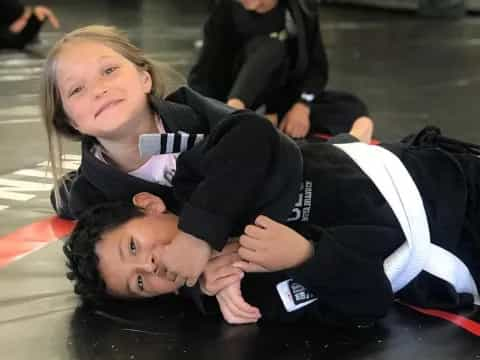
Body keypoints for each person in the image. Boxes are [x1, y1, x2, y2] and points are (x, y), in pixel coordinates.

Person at [63, 124, 480, 326]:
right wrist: (306, 256)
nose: (150, 266)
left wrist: (198, 234)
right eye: (140, 283)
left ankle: (348, 133)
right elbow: (367, 303)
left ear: (150, 204)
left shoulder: (201, 177)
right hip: (454, 260)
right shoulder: (241, 292)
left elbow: (252, 134)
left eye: (134, 248)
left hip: (450, 185)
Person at [188, 0, 370, 138]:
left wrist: (302, 106)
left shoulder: (299, 11)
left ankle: (353, 147)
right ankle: (234, 117)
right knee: (271, 47)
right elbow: (204, 75)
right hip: (233, 101)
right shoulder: (225, 13)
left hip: (281, 99)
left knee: (351, 107)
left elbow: (316, 68)